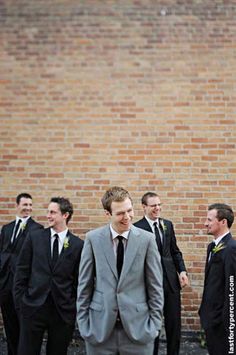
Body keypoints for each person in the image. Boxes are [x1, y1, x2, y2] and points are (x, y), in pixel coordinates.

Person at [77, 186, 163, 355]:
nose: (127, 217)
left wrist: (154, 326)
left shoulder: (147, 240)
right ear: (107, 214)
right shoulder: (93, 239)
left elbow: (155, 287)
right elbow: (83, 286)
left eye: (129, 211)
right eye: (120, 213)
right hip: (99, 331)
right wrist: (84, 325)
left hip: (139, 331)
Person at [13, 197, 84, 355]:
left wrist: (72, 306)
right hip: (32, 307)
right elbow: (21, 271)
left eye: (52, 212)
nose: (48, 216)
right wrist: (21, 303)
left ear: (65, 215)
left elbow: (79, 280)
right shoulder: (34, 237)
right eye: (48, 212)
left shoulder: (78, 245)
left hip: (62, 312)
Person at [134, 192, 189, 355]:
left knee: (174, 325)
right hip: (149, 284)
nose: (157, 208)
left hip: (171, 282)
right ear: (144, 207)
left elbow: (175, 251)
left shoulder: (168, 225)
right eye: (153, 205)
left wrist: (182, 271)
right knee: (153, 326)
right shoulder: (136, 228)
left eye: (159, 204)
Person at [0, 192, 43, 355]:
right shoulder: (7, 228)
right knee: (9, 326)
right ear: (17, 206)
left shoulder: (37, 229)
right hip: (5, 288)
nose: (28, 208)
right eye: (25, 205)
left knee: (25, 328)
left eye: (30, 205)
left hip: (23, 288)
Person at [199, 203, 236, 355]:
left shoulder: (231, 248)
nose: (205, 223)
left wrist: (229, 324)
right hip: (210, 317)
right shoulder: (212, 247)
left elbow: (232, 287)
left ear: (223, 222)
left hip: (223, 322)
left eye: (209, 220)